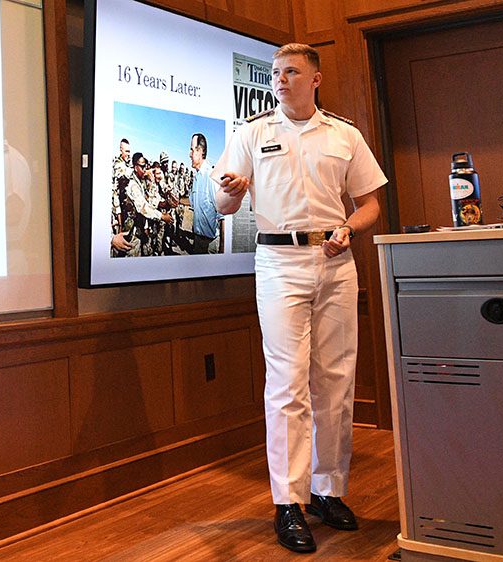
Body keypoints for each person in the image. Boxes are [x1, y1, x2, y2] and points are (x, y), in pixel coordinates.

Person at [212, 43, 387, 553]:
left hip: (335, 262)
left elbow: (370, 203)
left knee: (336, 379)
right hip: (279, 263)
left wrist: (348, 229)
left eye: (291, 72)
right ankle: (287, 503)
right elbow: (223, 205)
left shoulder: (344, 134)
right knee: (288, 382)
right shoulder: (252, 133)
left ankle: (327, 491)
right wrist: (233, 190)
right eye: (274, 73)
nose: (280, 80)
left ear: (315, 79)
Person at [188, 133, 223, 254]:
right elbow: (192, 203)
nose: (190, 155)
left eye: (192, 150)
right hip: (197, 240)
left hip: (210, 244)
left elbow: (222, 215)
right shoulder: (196, 177)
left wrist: (223, 250)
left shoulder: (211, 176)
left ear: (201, 151)